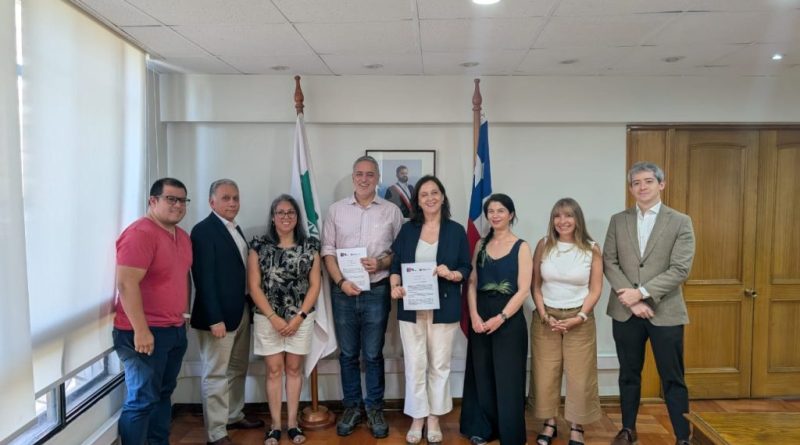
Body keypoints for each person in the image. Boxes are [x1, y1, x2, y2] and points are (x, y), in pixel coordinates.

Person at [604, 162, 695, 445]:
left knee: (673, 378)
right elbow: (609, 261)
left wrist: (642, 293)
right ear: (630, 188)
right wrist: (631, 301)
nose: (642, 187)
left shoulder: (680, 221)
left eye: (648, 181)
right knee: (629, 374)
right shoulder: (618, 220)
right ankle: (628, 429)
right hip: (625, 312)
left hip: (665, 311)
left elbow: (680, 269)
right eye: (636, 183)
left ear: (661, 184)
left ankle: (683, 437)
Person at [321, 155, 404, 438]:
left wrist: (381, 263)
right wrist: (341, 281)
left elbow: (399, 252)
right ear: (353, 176)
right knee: (347, 354)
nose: (364, 179)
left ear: (377, 177)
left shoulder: (392, 211)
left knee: (372, 354)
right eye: (359, 173)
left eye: (370, 174)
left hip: (377, 290)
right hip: (343, 292)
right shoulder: (336, 210)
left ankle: (375, 409)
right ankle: (352, 407)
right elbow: (328, 251)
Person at [389, 175, 472, 445]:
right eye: (424, 194)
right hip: (411, 308)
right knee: (415, 364)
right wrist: (395, 286)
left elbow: (466, 267)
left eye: (434, 193)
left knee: (439, 364)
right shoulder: (408, 230)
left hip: (444, 307)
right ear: (418, 201)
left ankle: (434, 417)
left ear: (443, 196)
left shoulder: (456, 231)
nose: (430, 198)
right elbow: (396, 265)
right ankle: (417, 417)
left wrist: (452, 274)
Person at [112, 178, 192, 445]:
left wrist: (184, 316)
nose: (178, 205)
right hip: (143, 333)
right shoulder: (140, 234)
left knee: (163, 394)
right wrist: (141, 330)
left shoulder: (182, 237)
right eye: (171, 199)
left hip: (174, 329)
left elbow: (180, 278)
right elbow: (126, 283)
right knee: (142, 400)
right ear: (153, 201)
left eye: (182, 200)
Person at [190, 179, 264, 445]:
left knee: (237, 369)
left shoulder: (234, 228)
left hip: (240, 310)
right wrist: (214, 318)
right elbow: (203, 279)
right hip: (218, 317)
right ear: (212, 202)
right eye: (225, 198)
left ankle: (233, 415)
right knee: (216, 373)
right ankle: (216, 433)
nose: (232, 203)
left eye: (235, 198)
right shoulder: (203, 231)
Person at [460, 194, 533, 445]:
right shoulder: (480, 245)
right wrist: (474, 315)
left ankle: (510, 434)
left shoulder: (522, 247)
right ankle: (483, 428)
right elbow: (471, 282)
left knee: (508, 377)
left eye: (500, 210)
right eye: (491, 211)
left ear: (511, 214)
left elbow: (524, 290)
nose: (495, 215)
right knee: (482, 374)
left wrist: (500, 318)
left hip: (509, 319)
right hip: (480, 316)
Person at [248, 194, 321, 445]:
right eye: (280, 212)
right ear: (272, 217)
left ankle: (292, 424)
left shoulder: (311, 245)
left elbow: (315, 285)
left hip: (301, 319)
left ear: (297, 217)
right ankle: (275, 426)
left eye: (290, 212)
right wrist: (273, 317)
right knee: (273, 371)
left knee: (293, 370)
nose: (285, 217)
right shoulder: (259, 246)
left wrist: (299, 317)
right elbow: (254, 286)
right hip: (267, 318)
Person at [531, 198, 603, 445]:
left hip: (579, 318)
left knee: (580, 376)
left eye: (568, 215)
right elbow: (535, 286)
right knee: (545, 373)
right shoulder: (544, 245)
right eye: (557, 216)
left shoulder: (592, 248)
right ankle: (550, 423)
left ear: (578, 219)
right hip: (546, 317)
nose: (563, 221)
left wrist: (579, 317)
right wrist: (544, 315)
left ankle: (576, 426)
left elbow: (595, 289)